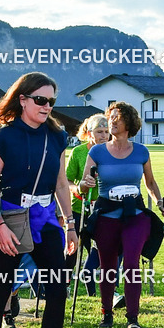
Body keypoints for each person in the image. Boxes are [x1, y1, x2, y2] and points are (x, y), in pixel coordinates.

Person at [0, 72, 79, 328]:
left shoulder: (57, 136)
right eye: (40, 100)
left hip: (46, 218)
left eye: (51, 101)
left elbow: (62, 184)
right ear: (22, 100)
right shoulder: (3, 137)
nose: (47, 106)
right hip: (9, 218)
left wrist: (70, 225)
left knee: (57, 289)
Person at [79, 102, 164, 328]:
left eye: (117, 117)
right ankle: (107, 313)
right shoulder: (96, 152)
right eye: (111, 117)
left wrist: (160, 202)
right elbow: (83, 182)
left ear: (129, 123)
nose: (112, 121)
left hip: (135, 215)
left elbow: (149, 183)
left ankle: (133, 318)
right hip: (106, 215)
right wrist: (85, 184)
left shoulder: (141, 151)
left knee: (131, 262)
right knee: (108, 265)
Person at [65, 113, 107, 296]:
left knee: (98, 250)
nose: (104, 136)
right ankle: (63, 286)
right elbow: (65, 180)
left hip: (102, 209)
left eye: (106, 131)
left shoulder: (111, 151)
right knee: (73, 251)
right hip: (78, 207)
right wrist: (78, 188)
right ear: (89, 133)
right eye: (99, 131)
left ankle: (94, 292)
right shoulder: (78, 152)